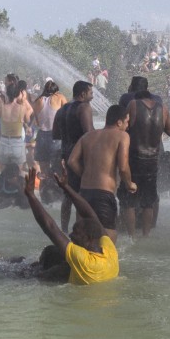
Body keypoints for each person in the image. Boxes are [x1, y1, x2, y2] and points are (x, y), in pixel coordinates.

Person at [23, 168, 119, 285]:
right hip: (97, 288)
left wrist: (31, 196)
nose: (70, 235)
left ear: (88, 239)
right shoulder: (109, 251)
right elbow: (91, 215)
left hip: (69, 286)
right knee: (53, 252)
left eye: (76, 233)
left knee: (51, 258)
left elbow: (50, 227)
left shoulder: (84, 261)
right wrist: (66, 187)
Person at [68, 104, 135, 243]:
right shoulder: (122, 136)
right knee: (107, 243)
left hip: (84, 193)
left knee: (82, 241)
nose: (128, 126)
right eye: (127, 121)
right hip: (103, 196)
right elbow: (123, 167)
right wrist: (129, 184)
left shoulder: (88, 136)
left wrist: (86, 175)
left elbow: (72, 161)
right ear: (119, 122)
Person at [122, 89, 170, 237]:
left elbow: (124, 126)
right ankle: (146, 235)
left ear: (137, 98)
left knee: (130, 199)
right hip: (152, 160)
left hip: (134, 158)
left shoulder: (133, 104)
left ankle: (131, 235)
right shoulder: (163, 109)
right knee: (148, 200)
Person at [56, 81, 94, 230]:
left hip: (65, 154)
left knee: (68, 194)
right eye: (91, 93)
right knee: (82, 194)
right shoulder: (84, 107)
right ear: (83, 94)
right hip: (79, 157)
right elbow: (89, 134)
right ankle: (81, 230)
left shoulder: (62, 109)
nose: (93, 96)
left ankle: (64, 229)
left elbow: (56, 134)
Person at [33, 79, 67, 202]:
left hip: (41, 136)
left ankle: (45, 198)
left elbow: (36, 122)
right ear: (56, 91)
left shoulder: (37, 101)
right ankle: (59, 197)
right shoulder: (60, 97)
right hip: (55, 136)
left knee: (44, 172)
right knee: (58, 169)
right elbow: (67, 114)